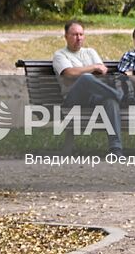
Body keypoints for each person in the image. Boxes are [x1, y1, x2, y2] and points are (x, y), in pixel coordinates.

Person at [52, 19, 125, 156]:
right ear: (66, 36)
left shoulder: (90, 52)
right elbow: (69, 73)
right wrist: (92, 68)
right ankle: (121, 96)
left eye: (81, 34)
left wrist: (93, 71)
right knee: (86, 78)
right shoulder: (60, 55)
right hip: (73, 99)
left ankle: (116, 149)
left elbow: (102, 71)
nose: (78, 38)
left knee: (110, 101)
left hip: (94, 96)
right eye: (74, 35)